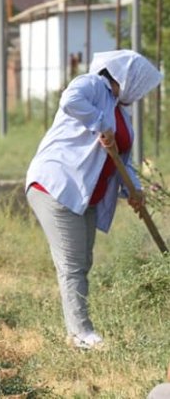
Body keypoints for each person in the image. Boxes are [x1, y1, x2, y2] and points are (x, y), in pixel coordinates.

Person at [25, 50, 161, 350]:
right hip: (57, 185)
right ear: (128, 78)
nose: (140, 94)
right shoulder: (92, 85)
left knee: (82, 261)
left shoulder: (120, 112)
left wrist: (134, 192)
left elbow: (121, 162)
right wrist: (101, 124)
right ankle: (81, 334)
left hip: (86, 196)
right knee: (72, 264)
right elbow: (69, 101)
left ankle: (78, 331)